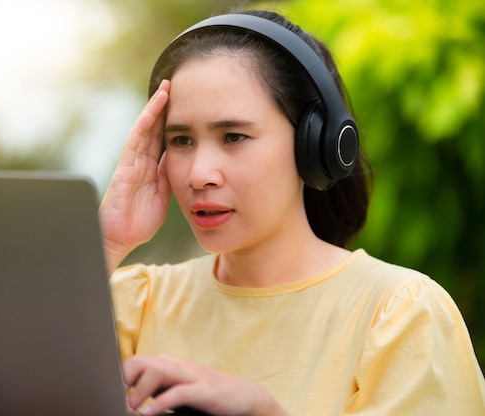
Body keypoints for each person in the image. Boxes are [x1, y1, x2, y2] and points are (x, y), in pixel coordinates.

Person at [99, 8, 485, 416]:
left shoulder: (401, 313)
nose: (198, 174)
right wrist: (107, 239)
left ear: (315, 145)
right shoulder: (133, 303)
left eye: (233, 136)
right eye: (180, 140)